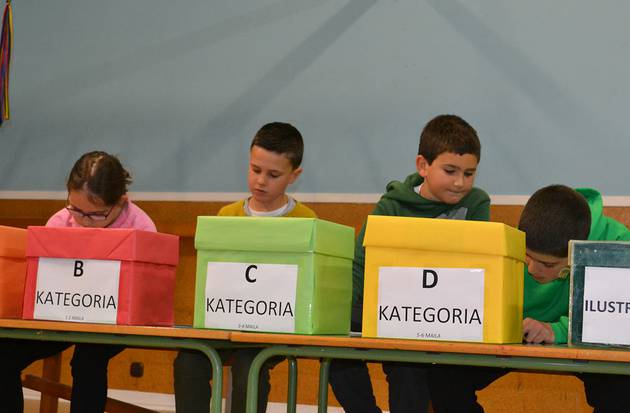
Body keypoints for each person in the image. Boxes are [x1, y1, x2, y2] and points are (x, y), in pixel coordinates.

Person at [428, 184, 630, 413]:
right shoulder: (512, 238)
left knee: (624, 396)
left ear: (575, 254)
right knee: (444, 377)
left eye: (548, 264)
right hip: (517, 336)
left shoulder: (617, 242)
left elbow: (620, 320)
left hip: (584, 342)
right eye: (527, 256)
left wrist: (558, 331)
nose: (532, 269)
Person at [329, 114, 491, 413]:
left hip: (444, 314)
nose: (460, 182)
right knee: (336, 346)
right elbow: (361, 264)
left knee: (408, 364)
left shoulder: (476, 204)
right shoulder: (390, 206)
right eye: (450, 171)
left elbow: (480, 268)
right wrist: (341, 312)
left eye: (469, 173)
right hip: (392, 310)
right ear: (423, 166)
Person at [174, 122, 316, 413]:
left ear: (294, 176)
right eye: (255, 169)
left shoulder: (306, 221)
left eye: (273, 175)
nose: (260, 181)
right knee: (189, 358)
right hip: (227, 323)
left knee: (249, 364)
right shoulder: (226, 216)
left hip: (275, 330)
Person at [0, 150, 156, 413]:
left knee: (88, 358)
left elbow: (148, 293)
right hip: (63, 318)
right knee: (3, 354)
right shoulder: (60, 222)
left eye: (95, 215)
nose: (83, 221)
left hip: (116, 323)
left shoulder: (141, 228)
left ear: (121, 202)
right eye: (76, 210)